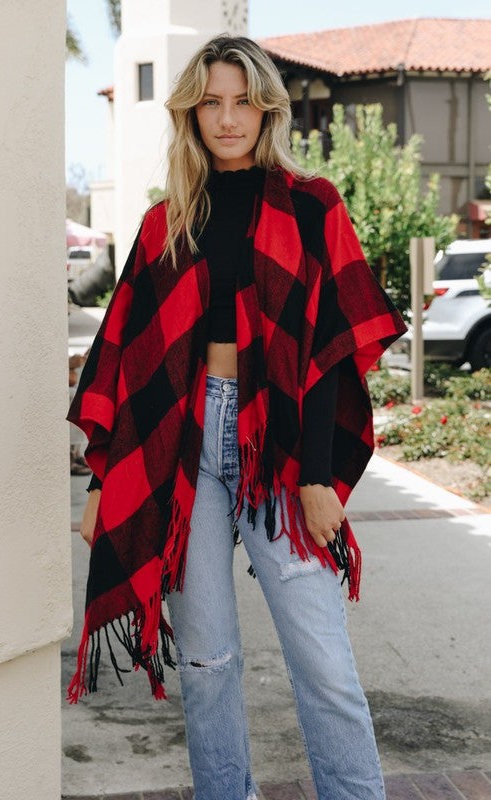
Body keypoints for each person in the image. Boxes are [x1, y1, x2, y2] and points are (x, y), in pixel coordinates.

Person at [66, 34, 407, 800]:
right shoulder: (166, 222)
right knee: (207, 663)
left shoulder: (311, 203)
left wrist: (316, 476)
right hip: (184, 448)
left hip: (281, 451)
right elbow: (125, 359)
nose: (227, 118)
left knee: (321, 659)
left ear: (267, 110)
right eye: (210, 103)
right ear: (191, 113)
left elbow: (325, 350)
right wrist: (102, 483)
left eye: (243, 101)